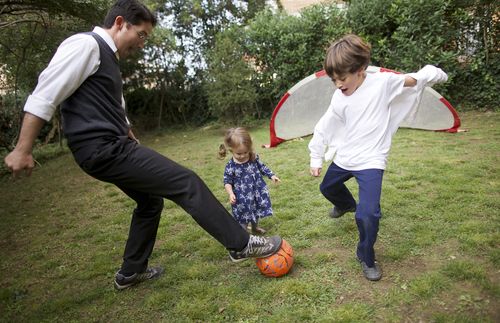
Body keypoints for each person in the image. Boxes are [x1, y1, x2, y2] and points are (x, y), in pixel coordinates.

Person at [4, 0, 282, 290]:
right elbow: (45, 93)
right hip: (103, 148)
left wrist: (128, 131)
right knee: (186, 182)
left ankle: (131, 272)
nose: (142, 43)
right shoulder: (86, 45)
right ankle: (241, 244)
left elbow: (112, 105)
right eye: (142, 34)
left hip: (108, 147)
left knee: (150, 202)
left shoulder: (107, 58)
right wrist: (24, 148)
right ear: (121, 23)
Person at [308, 34, 448, 281]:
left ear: (360, 70)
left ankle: (365, 254)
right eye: (334, 80)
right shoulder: (339, 97)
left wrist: (435, 73)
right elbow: (326, 124)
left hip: (372, 159)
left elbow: (415, 79)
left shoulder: (383, 83)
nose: (338, 84)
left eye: (342, 78)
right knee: (327, 187)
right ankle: (345, 204)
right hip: (346, 155)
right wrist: (316, 157)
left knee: (369, 214)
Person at [219, 128, 281, 235]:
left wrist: (272, 176)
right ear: (231, 150)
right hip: (241, 197)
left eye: (245, 152)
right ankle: (243, 235)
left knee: (255, 211)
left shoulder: (253, 157)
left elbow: (262, 167)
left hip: (256, 192)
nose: (242, 156)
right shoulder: (231, 166)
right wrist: (230, 193)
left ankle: (254, 228)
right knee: (243, 216)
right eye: (238, 153)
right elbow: (227, 181)